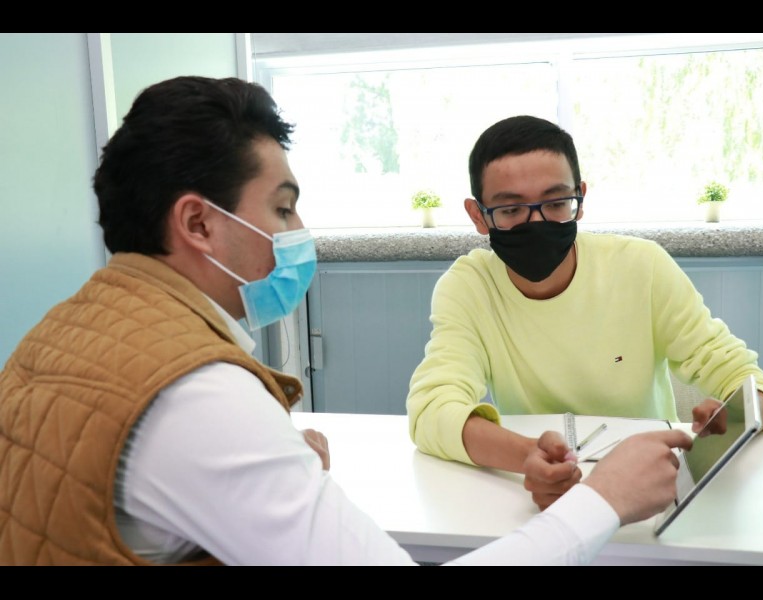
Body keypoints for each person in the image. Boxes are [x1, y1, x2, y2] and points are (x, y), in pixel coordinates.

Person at [0, 77, 692, 566]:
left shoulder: (63, 332)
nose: (299, 230)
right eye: (282, 207)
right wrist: (603, 499)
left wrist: (267, 463)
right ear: (199, 223)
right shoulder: (196, 395)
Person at [406, 115, 763, 511]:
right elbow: (432, 411)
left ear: (580, 199)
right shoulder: (469, 287)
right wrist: (529, 457)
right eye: (512, 209)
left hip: (650, 489)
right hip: (544, 498)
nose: (537, 223)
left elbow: (747, 378)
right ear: (478, 215)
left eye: (556, 203)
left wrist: (737, 416)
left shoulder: (641, 267)